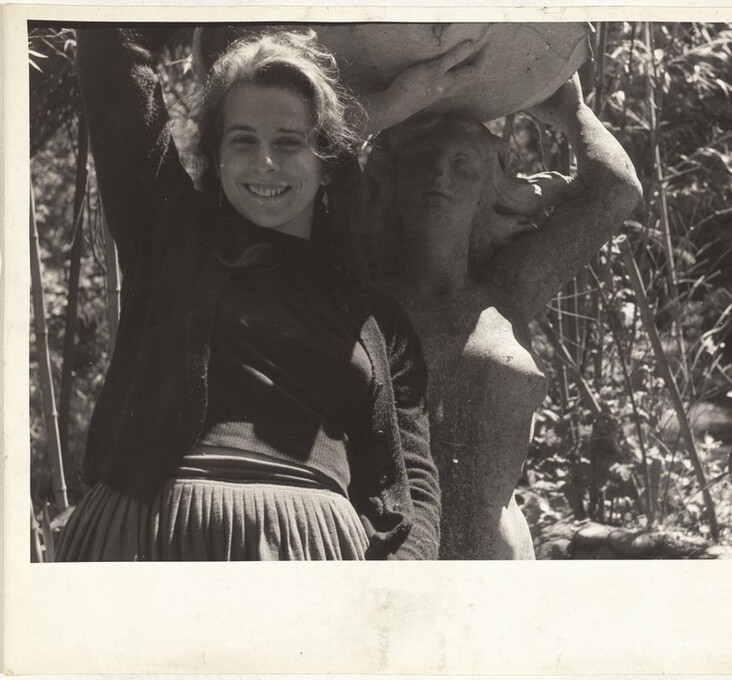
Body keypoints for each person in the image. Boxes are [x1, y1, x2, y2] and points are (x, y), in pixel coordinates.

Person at [56, 25, 478, 560]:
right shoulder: (170, 240)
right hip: (149, 535)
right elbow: (110, 47)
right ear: (217, 157)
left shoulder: (381, 324)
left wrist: (393, 588)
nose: (265, 163)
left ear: (326, 162)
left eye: (289, 142)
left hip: (312, 553)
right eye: (243, 141)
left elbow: (414, 489)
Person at [361, 75, 642, 558]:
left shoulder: (508, 289)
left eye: (461, 165)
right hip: (387, 552)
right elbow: (298, 164)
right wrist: (382, 105)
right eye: (422, 162)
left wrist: (567, 106)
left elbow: (614, 193)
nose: (440, 177)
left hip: (499, 557)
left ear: (487, 188)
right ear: (394, 181)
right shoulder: (359, 296)